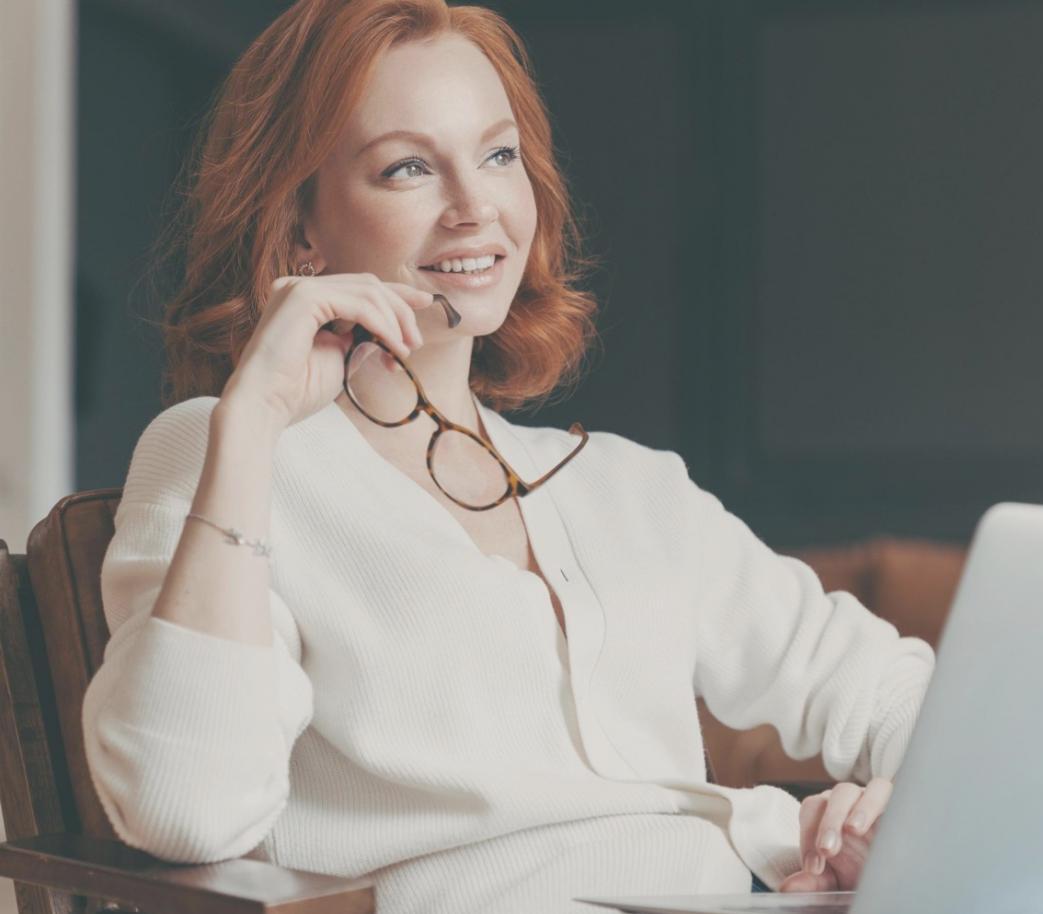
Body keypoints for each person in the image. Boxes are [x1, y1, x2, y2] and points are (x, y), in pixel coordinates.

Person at [78, 1, 933, 912]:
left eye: (498, 155)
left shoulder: (627, 485)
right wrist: (252, 422)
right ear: (300, 228)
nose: (476, 207)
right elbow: (184, 810)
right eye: (408, 167)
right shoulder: (229, 451)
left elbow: (892, 694)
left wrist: (893, 809)